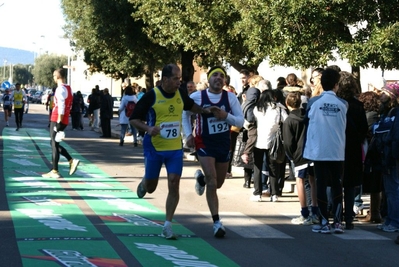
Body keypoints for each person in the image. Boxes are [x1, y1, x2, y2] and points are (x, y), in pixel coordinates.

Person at [130, 63, 207, 240]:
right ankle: (144, 183)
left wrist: (205, 111)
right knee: (151, 187)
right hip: (154, 148)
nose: (179, 82)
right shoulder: (152, 96)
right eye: (175, 79)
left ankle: (167, 225)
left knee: (174, 182)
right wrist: (148, 129)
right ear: (164, 79)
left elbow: (192, 107)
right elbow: (133, 119)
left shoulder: (180, 94)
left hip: (174, 149)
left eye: (179, 79)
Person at [182, 66, 244, 237]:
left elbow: (240, 121)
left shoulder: (230, 98)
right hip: (204, 142)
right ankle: (217, 222)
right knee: (212, 179)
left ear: (225, 81)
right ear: (208, 80)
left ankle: (200, 179)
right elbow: (184, 114)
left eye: (221, 76)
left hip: (223, 143)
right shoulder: (197, 96)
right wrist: (188, 135)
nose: (218, 78)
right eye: (214, 75)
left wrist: (225, 116)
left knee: (218, 183)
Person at [303, 68, 348, 234]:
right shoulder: (344, 104)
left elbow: (306, 121)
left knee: (321, 185)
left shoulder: (313, 103)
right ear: (336, 85)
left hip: (319, 150)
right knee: (337, 185)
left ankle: (324, 221)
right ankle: (337, 222)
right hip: (337, 150)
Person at [336, 71, 368, 229]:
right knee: (349, 185)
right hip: (353, 148)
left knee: (335, 182)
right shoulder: (358, 105)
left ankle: (335, 215)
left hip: (337, 146)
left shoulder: (336, 104)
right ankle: (348, 218)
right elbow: (364, 129)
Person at [283, 92, 319, 224]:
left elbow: (287, 142)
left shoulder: (289, 120)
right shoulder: (308, 116)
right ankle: (315, 211)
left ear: (287, 104)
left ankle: (304, 213)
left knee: (300, 181)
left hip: (299, 154)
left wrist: (291, 155)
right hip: (312, 151)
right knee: (313, 181)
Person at [42, 68, 80, 179]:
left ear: (58, 76)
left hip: (58, 119)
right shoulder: (68, 88)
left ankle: (55, 170)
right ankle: (70, 161)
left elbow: (62, 107)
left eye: (54, 75)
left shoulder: (60, 89)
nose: (53, 77)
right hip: (63, 119)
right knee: (54, 143)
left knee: (54, 144)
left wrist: (58, 122)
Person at [251, 89, 288, 202]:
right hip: (273, 142)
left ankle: (257, 193)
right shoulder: (279, 109)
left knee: (257, 167)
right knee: (273, 168)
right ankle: (274, 194)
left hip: (258, 141)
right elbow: (286, 120)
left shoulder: (257, 108)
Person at [358, 91, 383, 223]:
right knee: (376, 184)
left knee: (374, 184)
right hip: (376, 153)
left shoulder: (369, 116)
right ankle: (375, 212)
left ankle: (374, 213)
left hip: (370, 152)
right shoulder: (376, 115)